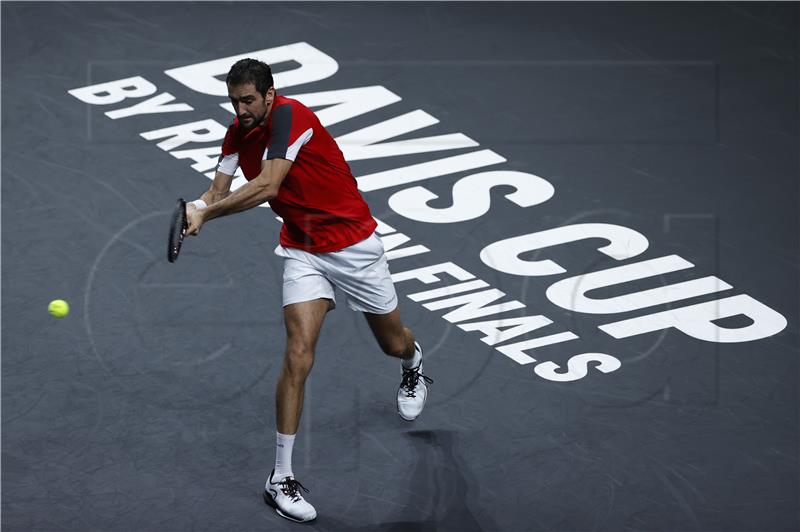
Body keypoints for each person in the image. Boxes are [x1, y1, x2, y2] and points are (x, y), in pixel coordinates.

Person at [184, 58, 432, 523]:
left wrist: (208, 217)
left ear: (270, 94)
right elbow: (217, 189)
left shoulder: (291, 117)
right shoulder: (238, 130)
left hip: (355, 246)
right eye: (234, 101)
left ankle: (412, 362)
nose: (241, 110)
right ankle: (279, 478)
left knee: (392, 342)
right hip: (303, 249)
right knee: (298, 353)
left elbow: (266, 186)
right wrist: (195, 207)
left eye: (249, 100)